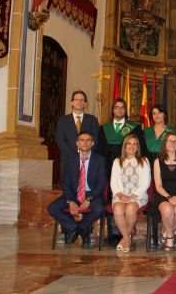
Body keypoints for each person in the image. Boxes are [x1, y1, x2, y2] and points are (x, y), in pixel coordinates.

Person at [97, 98, 147, 246]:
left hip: (129, 168)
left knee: (128, 202)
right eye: (116, 107)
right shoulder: (104, 128)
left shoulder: (135, 128)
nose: (119, 110)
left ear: (126, 111)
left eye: (122, 108)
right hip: (108, 168)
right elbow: (100, 151)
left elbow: (139, 147)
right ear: (112, 110)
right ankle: (114, 232)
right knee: (110, 198)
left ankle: (125, 233)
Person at [48, 131, 106, 249]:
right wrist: (71, 201)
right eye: (81, 140)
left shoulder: (99, 160)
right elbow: (65, 183)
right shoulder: (70, 160)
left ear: (92, 143)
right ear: (77, 143)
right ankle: (75, 227)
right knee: (52, 208)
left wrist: (89, 199)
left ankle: (82, 227)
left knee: (99, 209)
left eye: (88, 140)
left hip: (91, 194)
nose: (84, 143)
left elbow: (101, 184)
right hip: (73, 194)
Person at [110, 134, 151, 253]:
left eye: (135, 144)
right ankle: (127, 237)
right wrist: (120, 195)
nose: (132, 146)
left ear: (138, 147)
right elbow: (113, 183)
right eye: (129, 143)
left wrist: (132, 196)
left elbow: (146, 182)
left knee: (130, 209)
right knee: (117, 209)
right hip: (120, 195)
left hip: (138, 195)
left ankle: (125, 238)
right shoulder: (118, 161)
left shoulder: (144, 161)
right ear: (124, 146)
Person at [55, 90, 99, 179]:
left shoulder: (92, 120)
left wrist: (85, 154)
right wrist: (76, 156)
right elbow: (60, 141)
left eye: (82, 100)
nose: (79, 102)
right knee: (69, 189)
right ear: (72, 102)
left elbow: (96, 139)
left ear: (85, 104)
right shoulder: (63, 120)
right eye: (76, 100)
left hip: (88, 161)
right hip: (68, 160)